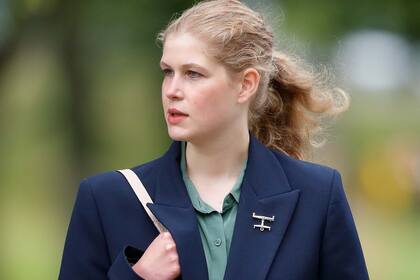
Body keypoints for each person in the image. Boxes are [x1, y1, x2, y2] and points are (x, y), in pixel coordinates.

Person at [58, 0, 369, 279]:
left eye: (193, 74)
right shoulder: (106, 199)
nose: (172, 90)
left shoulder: (317, 195)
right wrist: (137, 277)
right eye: (168, 72)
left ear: (246, 85)